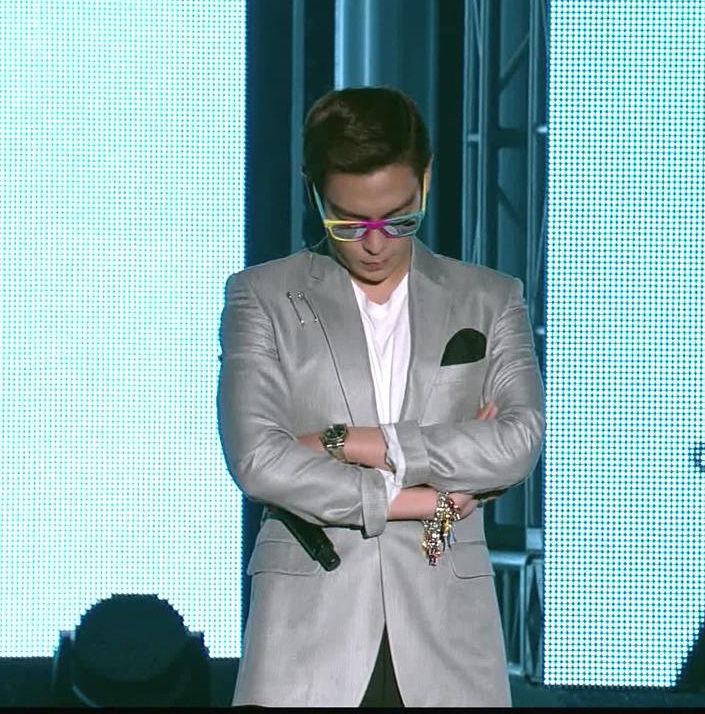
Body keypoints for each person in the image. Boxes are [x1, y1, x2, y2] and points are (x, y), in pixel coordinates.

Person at [217, 86, 545, 707]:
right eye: (348, 223)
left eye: (399, 219)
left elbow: (516, 443)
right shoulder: (260, 297)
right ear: (314, 192)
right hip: (306, 630)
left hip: (449, 632)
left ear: (425, 180)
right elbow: (259, 460)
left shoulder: (490, 298)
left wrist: (352, 443)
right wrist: (421, 500)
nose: (375, 243)